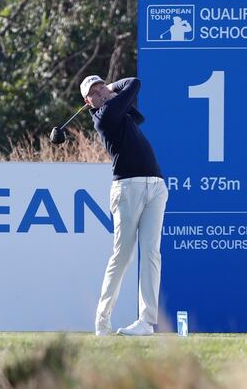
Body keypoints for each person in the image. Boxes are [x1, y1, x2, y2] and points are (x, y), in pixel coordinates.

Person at [80, 75, 168, 336]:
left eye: (101, 87)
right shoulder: (104, 117)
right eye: (94, 93)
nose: (101, 93)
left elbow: (137, 115)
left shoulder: (119, 111)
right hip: (127, 188)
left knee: (152, 253)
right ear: (88, 103)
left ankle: (146, 322)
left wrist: (109, 89)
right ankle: (102, 321)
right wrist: (112, 90)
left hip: (155, 185)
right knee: (123, 256)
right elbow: (135, 83)